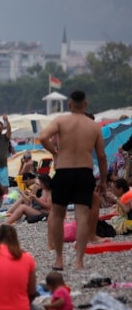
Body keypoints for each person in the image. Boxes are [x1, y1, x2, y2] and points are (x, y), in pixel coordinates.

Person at [38, 90, 108, 270]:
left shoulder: (61, 121)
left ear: (69, 104)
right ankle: (79, 261)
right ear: (85, 104)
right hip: (84, 172)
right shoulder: (94, 126)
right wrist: (104, 181)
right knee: (82, 216)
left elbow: (43, 137)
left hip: (64, 170)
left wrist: (54, 152)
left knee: (59, 215)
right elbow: (101, 156)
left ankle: (59, 259)